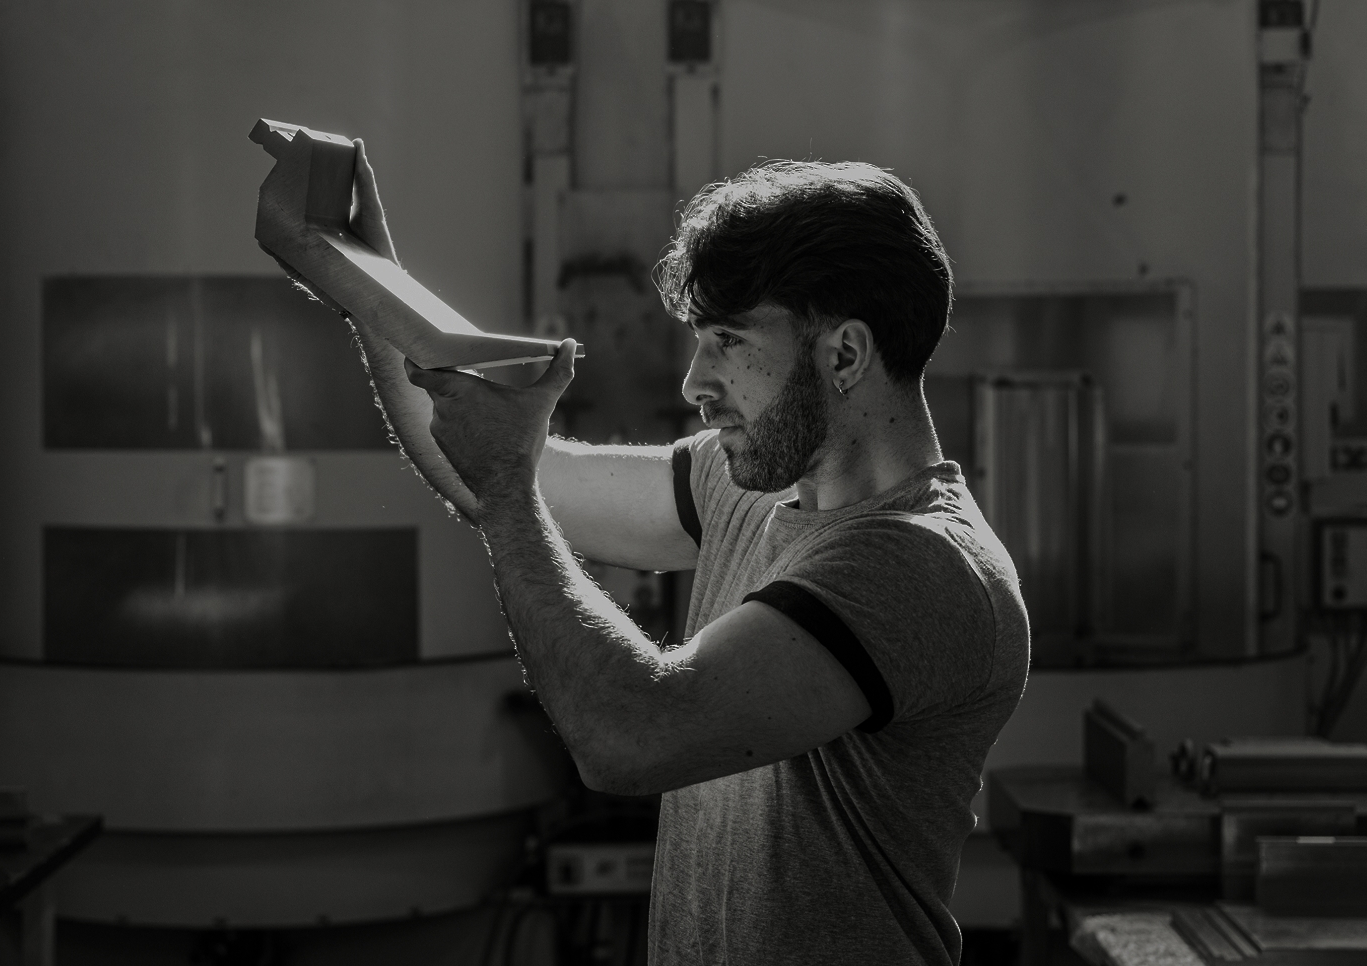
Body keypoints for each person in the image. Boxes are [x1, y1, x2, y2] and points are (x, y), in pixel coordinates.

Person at [259, 146, 1029, 965]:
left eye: (728, 340)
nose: (695, 382)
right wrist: (361, 281)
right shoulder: (754, 484)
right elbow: (495, 473)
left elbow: (630, 734)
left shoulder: (918, 565)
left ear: (844, 355)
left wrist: (509, 487)